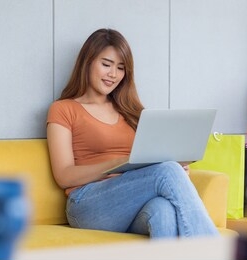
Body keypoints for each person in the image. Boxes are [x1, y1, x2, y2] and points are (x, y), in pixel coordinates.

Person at [46, 28, 219, 238]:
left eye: (121, 68)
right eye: (106, 64)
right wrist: (117, 164)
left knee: (162, 211)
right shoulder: (63, 109)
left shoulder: (133, 111)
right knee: (167, 172)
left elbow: (154, 164)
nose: (113, 74)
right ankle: (214, 250)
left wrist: (177, 169)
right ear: (87, 62)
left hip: (130, 203)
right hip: (87, 202)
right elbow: (64, 176)